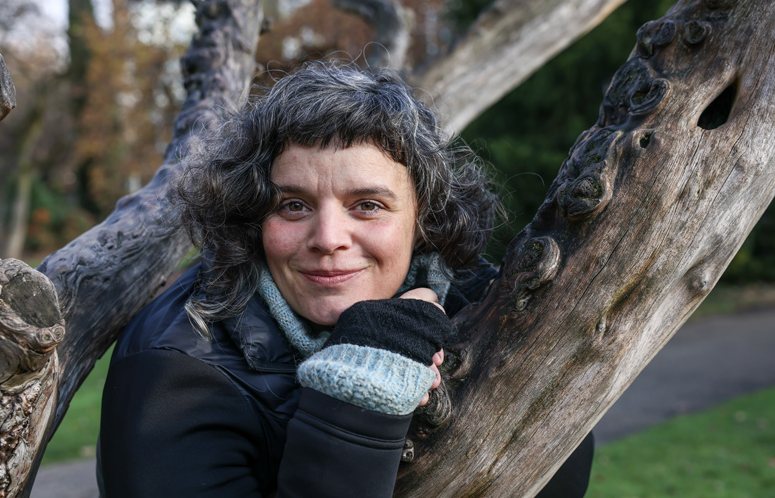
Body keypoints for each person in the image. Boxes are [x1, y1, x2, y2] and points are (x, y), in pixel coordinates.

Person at [97, 62, 593, 497]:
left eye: (368, 206)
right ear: (250, 216)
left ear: (423, 218)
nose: (329, 238)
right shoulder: (176, 370)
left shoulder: (472, 300)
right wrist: (363, 383)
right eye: (293, 205)